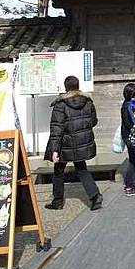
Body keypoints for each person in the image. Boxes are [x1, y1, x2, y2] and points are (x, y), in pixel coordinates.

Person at [44, 76, 103, 211]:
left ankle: (58, 201)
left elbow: (56, 128)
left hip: (65, 143)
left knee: (58, 170)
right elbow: (93, 121)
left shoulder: (61, 104)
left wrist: (54, 150)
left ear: (65, 87)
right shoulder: (88, 102)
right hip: (81, 142)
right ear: (78, 86)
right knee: (81, 168)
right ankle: (95, 196)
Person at [120, 82, 135, 196]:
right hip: (130, 135)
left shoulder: (126, 104)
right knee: (133, 161)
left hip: (127, 134)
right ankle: (129, 185)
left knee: (134, 160)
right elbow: (130, 122)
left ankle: (131, 183)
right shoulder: (128, 106)